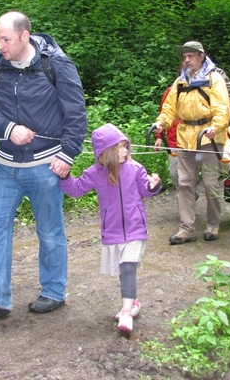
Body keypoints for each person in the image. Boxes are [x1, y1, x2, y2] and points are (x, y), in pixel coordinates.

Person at [0, 11, 87, 317]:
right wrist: (7, 129)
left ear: (23, 36)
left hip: (45, 164)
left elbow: (75, 112)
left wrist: (67, 154)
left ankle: (54, 291)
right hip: (3, 165)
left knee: (49, 231)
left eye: (5, 39)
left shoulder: (55, 64)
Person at [59, 123, 162, 333]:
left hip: (135, 228)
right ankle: (133, 303)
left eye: (126, 146)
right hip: (113, 230)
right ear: (106, 153)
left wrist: (154, 185)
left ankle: (125, 312)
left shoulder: (135, 168)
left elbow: (146, 190)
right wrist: (64, 177)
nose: (125, 151)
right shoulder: (95, 173)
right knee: (124, 269)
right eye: (120, 148)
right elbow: (77, 189)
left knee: (128, 265)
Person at [152, 41, 230, 245]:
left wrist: (217, 126)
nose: (186, 60)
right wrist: (161, 123)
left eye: (190, 56)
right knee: (185, 184)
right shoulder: (180, 82)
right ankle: (186, 228)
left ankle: (212, 224)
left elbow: (223, 108)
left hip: (209, 137)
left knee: (210, 183)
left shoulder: (214, 79)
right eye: (184, 57)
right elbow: (169, 109)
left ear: (201, 56)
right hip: (185, 137)